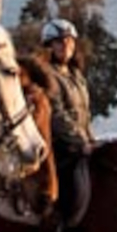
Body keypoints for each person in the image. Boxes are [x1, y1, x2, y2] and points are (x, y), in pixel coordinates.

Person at [40, 18, 94, 180]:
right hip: (63, 150)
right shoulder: (48, 76)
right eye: (59, 41)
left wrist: (91, 140)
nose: (65, 45)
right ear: (49, 46)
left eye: (69, 40)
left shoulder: (76, 75)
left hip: (83, 146)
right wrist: (82, 141)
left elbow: (85, 114)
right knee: (78, 192)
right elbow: (57, 116)